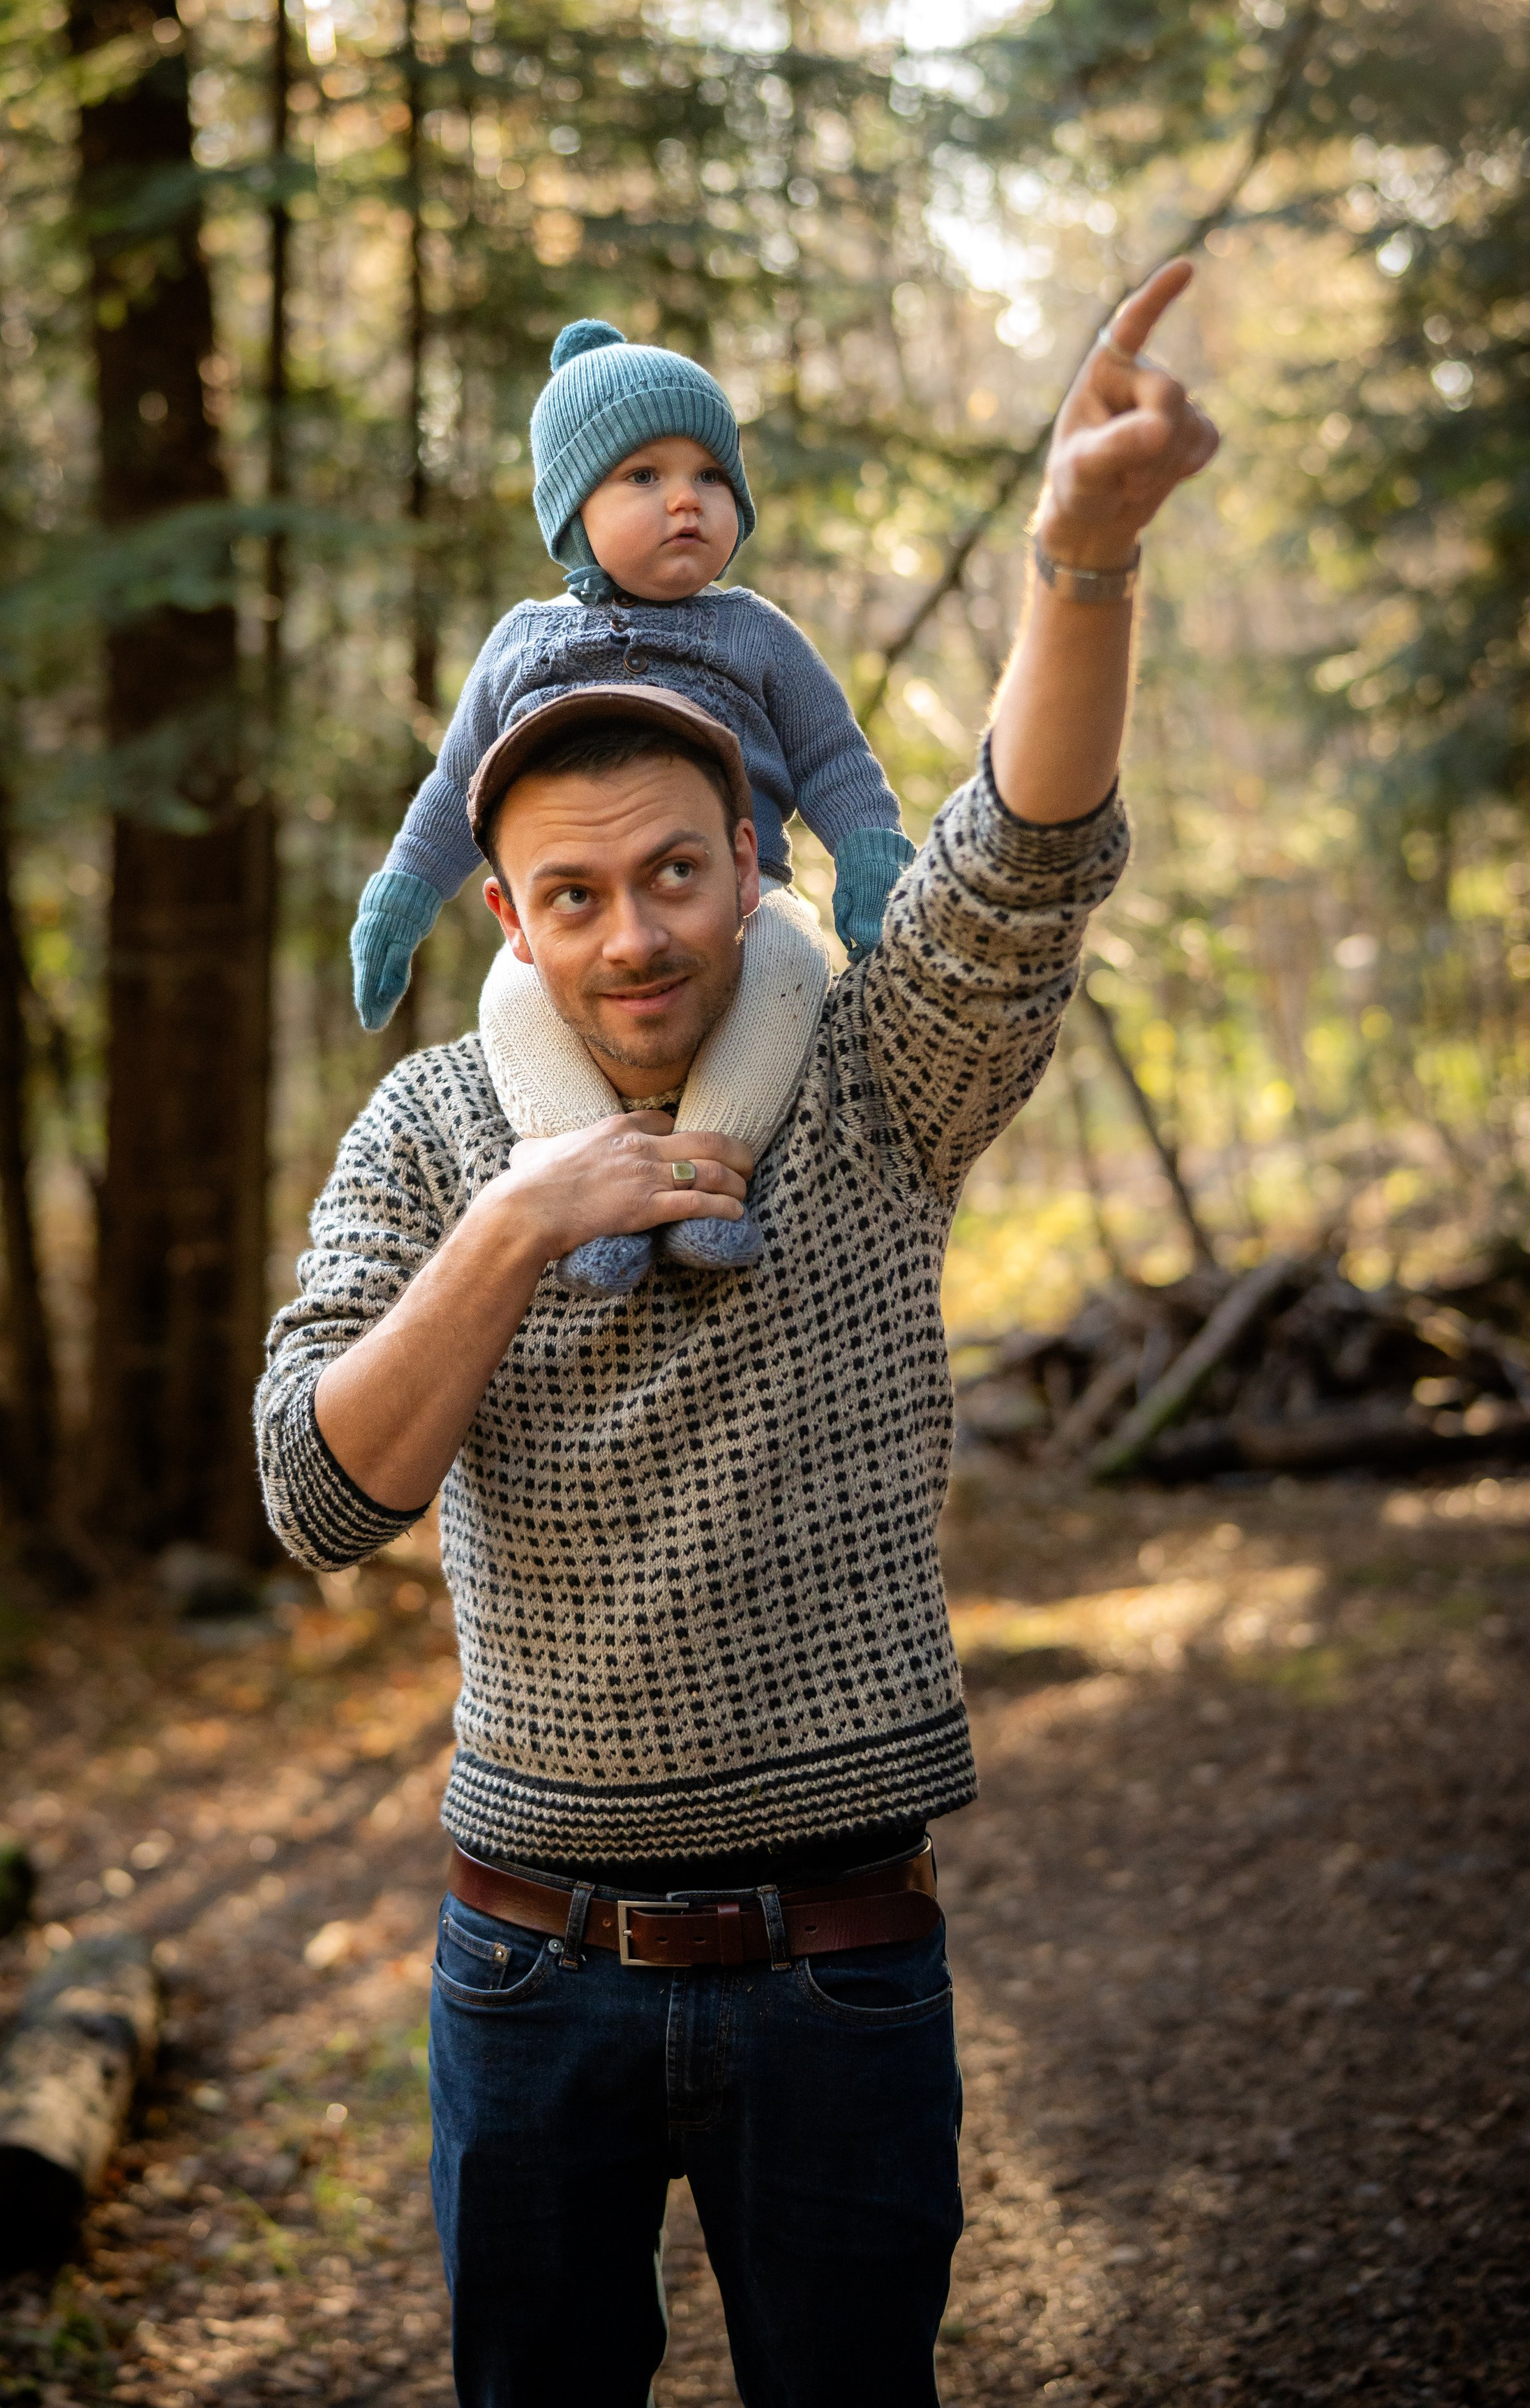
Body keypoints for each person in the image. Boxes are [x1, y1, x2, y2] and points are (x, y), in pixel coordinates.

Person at [257, 260, 1217, 2407]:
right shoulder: (427, 1138)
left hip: (843, 1966)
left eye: (679, 875)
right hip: (523, 1971)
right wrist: (524, 1220)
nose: (633, 935)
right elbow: (317, 1492)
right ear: (506, 912)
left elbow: (1016, 868)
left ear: (754, 858)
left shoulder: (877, 1087)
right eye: (575, 896)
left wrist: (1081, 560)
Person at [348, 315, 917, 1294]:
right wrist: (403, 896)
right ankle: (594, 1190)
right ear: (573, 514)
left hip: (741, 905)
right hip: (568, 922)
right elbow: (453, 786)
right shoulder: (522, 643)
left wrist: (871, 859)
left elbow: (834, 759)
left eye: (709, 476)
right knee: (511, 1000)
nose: (685, 500)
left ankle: (700, 1177)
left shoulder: (756, 635)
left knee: (789, 961)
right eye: (643, 478)